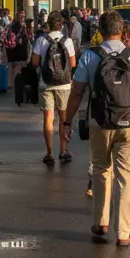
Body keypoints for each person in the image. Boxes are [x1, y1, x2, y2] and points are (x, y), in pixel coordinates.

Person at [63, 10, 130, 248]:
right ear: (121, 30)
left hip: (99, 122)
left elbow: (77, 92)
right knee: (126, 176)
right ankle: (123, 232)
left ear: (100, 31)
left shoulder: (90, 56)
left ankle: (101, 222)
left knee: (101, 170)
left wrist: (67, 122)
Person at [31, 10, 77, 166]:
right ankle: (63, 150)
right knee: (63, 118)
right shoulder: (67, 41)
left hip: (46, 83)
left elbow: (35, 62)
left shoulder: (41, 40)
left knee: (48, 117)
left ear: (48, 25)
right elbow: (73, 63)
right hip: (64, 84)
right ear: (61, 24)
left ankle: (50, 153)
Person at [4, 12, 30, 87]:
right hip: (18, 49)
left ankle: (11, 83)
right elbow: (28, 37)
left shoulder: (10, 25)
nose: (22, 17)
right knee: (18, 66)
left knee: (13, 66)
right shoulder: (23, 26)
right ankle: (16, 82)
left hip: (13, 49)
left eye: (23, 16)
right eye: (22, 16)